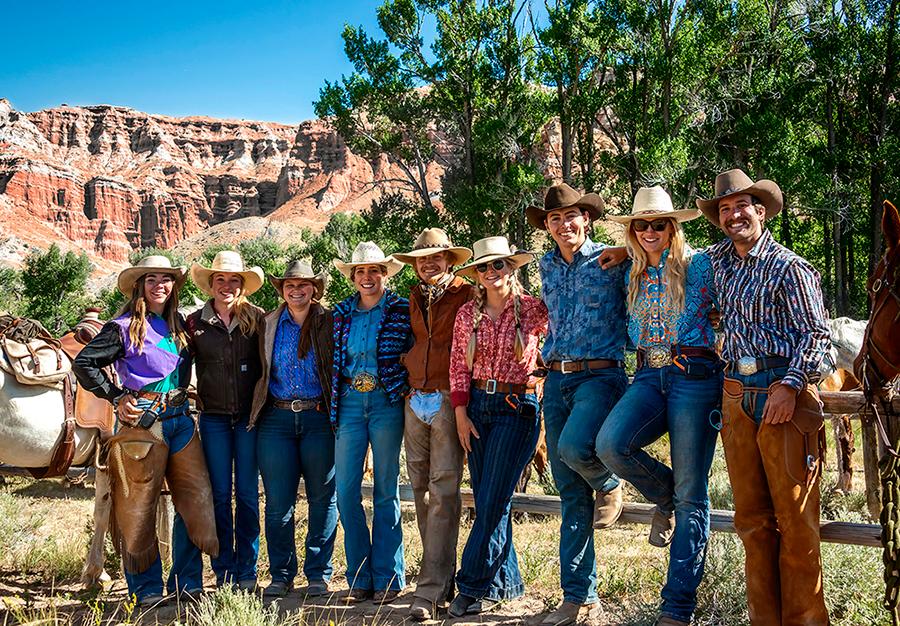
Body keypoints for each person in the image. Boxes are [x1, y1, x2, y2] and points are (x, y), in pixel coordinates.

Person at [697, 169, 831, 625]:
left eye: (742, 206)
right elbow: (669, 263)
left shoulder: (789, 267)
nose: (734, 215)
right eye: (725, 209)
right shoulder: (717, 262)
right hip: (736, 394)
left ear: (760, 210)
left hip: (780, 393)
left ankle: (806, 621)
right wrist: (620, 253)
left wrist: (792, 385)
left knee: (795, 521)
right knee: (751, 521)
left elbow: (818, 335)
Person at [595, 186, 722, 626]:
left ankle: (677, 607)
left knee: (694, 493)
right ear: (632, 231)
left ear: (673, 228)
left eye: (659, 224)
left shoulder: (700, 264)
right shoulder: (629, 269)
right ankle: (664, 497)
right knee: (611, 444)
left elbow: (740, 266)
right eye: (641, 225)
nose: (650, 230)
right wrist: (619, 248)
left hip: (695, 376)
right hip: (648, 373)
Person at [72, 256, 218, 607]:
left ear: (174, 286)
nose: (159, 286)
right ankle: (146, 587)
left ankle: (187, 582)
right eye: (151, 279)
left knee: (194, 501)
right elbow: (84, 362)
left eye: (166, 280)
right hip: (142, 422)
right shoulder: (122, 327)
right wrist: (117, 395)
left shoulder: (181, 325)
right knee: (138, 507)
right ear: (140, 286)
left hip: (182, 419)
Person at [525, 183, 629, 626]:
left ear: (586, 219)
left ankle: (608, 483)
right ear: (547, 227)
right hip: (558, 378)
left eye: (571, 216)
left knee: (572, 448)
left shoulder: (611, 260)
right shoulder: (546, 266)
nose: (564, 224)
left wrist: (629, 251)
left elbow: (668, 259)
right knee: (569, 492)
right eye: (554, 219)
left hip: (601, 374)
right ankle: (579, 598)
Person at [447, 236, 548, 617]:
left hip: (516, 407)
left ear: (512, 268)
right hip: (477, 406)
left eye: (499, 265)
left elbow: (558, 344)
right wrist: (460, 413)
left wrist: (543, 379)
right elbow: (458, 366)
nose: (492, 273)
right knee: (492, 497)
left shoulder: (534, 310)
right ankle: (504, 585)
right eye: (484, 267)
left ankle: (470, 584)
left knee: (491, 499)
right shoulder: (466, 316)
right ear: (476, 274)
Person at [393, 229, 474, 621]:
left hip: (446, 397)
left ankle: (427, 591)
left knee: (443, 489)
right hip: (416, 397)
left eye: (436, 257)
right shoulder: (413, 296)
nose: (428, 263)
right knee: (421, 490)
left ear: (450, 260)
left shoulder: (465, 294)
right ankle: (441, 577)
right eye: (422, 259)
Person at [249, 260, 337, 599]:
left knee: (322, 498)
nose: (296, 290)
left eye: (303, 284)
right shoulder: (269, 323)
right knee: (277, 503)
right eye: (290, 285)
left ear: (315, 288)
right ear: (281, 290)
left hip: (318, 416)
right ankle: (281, 574)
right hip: (277, 419)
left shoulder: (330, 321)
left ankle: (318, 573)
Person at [330, 241, 412, 603]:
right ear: (352, 277)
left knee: (385, 489)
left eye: (374, 270)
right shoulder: (340, 313)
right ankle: (359, 575)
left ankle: (388, 577)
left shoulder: (401, 309)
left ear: (384, 274)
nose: (367, 277)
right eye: (361, 271)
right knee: (346, 491)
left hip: (385, 401)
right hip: (348, 401)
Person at [186, 251, 265, 592]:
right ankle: (223, 569)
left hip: (248, 420)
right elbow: (176, 366)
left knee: (247, 494)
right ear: (211, 284)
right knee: (218, 495)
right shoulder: (194, 323)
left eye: (234, 280)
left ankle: (247, 568)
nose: (227, 285)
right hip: (214, 418)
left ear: (242, 285)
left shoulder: (257, 319)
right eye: (221, 279)